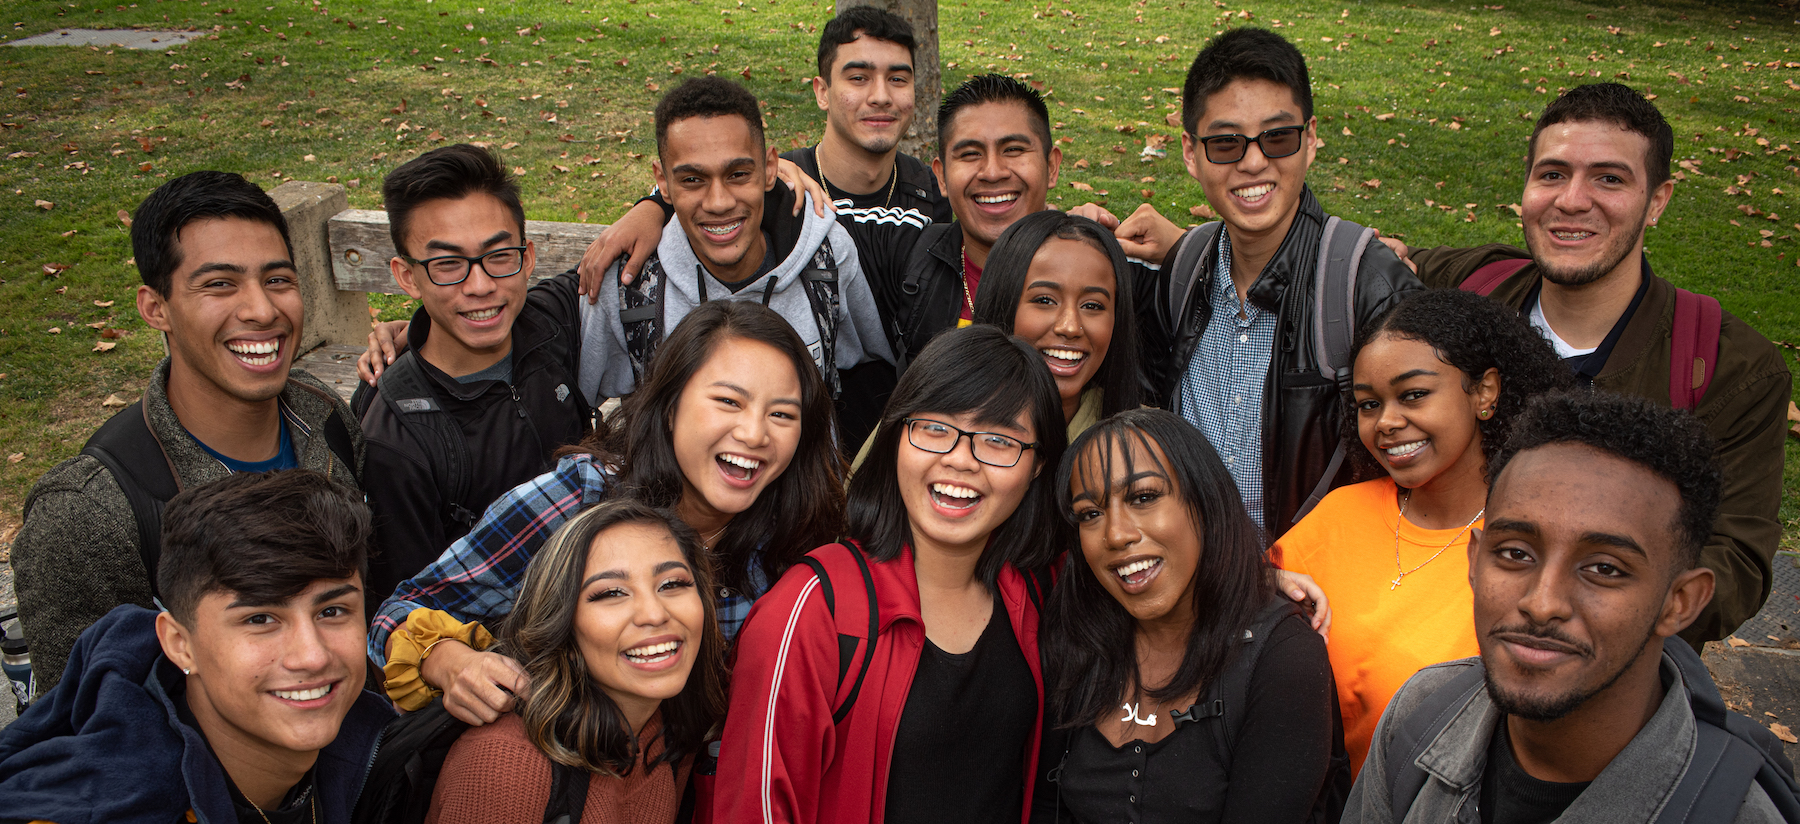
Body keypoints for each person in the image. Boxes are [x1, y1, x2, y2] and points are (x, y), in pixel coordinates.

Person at [1395, 83, 1791, 646]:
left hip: (1603, 680)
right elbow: (1380, 262)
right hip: (1415, 646)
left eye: (1609, 178)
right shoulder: (1471, 287)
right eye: (1552, 174)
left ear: (1658, 200)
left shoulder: (1727, 367)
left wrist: (1586, 603)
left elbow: (1736, 563)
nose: (1572, 200)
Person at [373, 301, 843, 726]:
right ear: (670, 407)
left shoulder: (796, 537)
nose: (755, 433)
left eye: (782, 414)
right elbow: (395, 615)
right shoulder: (579, 501)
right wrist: (451, 662)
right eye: (728, 401)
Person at [1347, 390, 1799, 823]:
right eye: (1515, 554)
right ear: (1474, 561)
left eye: (1604, 569)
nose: (1542, 604)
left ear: (1679, 603)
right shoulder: (1420, 714)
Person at [12, 171, 364, 693]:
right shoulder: (88, 515)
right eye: (220, 284)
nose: (262, 310)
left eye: (278, 280)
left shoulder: (324, 414)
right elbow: (80, 727)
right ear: (156, 309)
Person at [1070, 28, 1423, 540]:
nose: (1254, 161)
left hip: (1313, 600)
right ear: (1191, 153)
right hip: (1194, 590)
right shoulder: (1185, 272)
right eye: (1226, 143)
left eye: (1278, 137)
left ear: (1312, 140)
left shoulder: (1368, 287)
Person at [715, 324, 1068, 824]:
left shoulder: (1037, 593)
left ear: (1037, 467)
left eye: (997, 440)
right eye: (935, 429)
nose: (960, 460)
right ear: (895, 435)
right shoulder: (814, 607)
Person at [574, 7, 945, 447]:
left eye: (898, 78)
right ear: (822, 91)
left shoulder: (918, 198)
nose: (880, 95)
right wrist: (652, 207)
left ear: (769, 170)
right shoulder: (635, 282)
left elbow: (872, 365)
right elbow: (576, 409)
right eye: (859, 77)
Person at [1271, 289, 1572, 774]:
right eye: (1368, 404)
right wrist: (1266, 583)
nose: (1387, 422)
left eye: (1413, 395)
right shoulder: (1338, 515)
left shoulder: (1531, 553)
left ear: (1484, 392)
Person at [0, 470, 392, 824]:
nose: (313, 656)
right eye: (260, 619)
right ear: (180, 644)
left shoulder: (372, 743)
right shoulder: (113, 807)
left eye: (333, 611)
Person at [1038, 408, 1348, 823]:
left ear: (1204, 501)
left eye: (1143, 498)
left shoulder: (1284, 658)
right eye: (1090, 514)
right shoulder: (1077, 634)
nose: (1115, 534)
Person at [355, 143, 591, 603]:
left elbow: (686, 198)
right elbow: (404, 614)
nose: (481, 286)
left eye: (499, 256)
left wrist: (650, 207)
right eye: (447, 265)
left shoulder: (548, 324)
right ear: (406, 277)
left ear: (528, 257)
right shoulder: (395, 441)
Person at [425, 499, 727, 824]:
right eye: (611, 593)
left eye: (672, 584)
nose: (654, 614)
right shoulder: (509, 761)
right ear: (563, 628)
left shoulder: (669, 740)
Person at [849, 210, 1142, 468]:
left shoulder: (1140, 444)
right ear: (1003, 302)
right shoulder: (928, 417)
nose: (1070, 327)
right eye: (1044, 300)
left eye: (1092, 306)